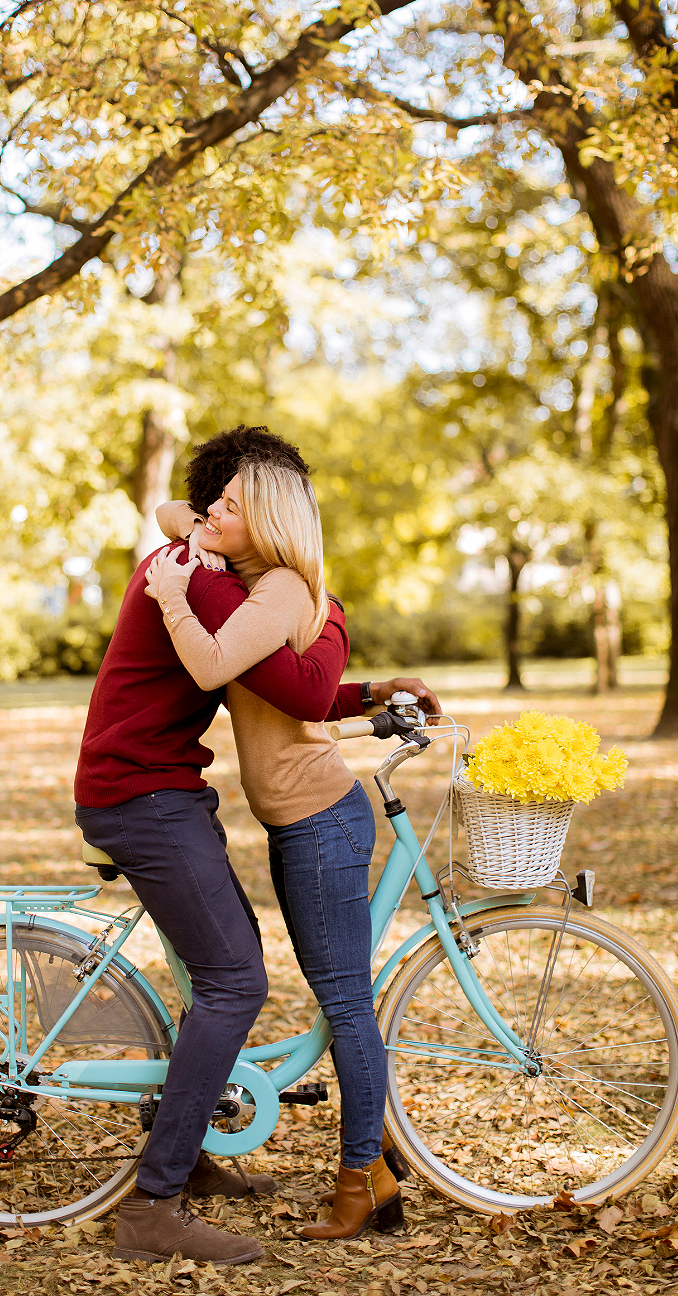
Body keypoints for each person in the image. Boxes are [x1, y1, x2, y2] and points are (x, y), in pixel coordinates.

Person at [74, 426, 400, 1265]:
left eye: (233, 506)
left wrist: (347, 660)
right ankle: (154, 1205)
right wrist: (337, 630)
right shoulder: (194, 576)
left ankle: (194, 1153)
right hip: (142, 792)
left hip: (161, 787)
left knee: (226, 968)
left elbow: (290, 688)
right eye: (217, 502)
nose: (214, 514)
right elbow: (302, 682)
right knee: (235, 982)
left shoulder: (206, 566)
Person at [146, 457, 440, 1242]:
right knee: (337, 1000)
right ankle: (369, 1163)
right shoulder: (254, 589)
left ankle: (362, 1182)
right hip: (303, 823)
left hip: (320, 821)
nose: (212, 510)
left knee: (344, 1002)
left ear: (268, 522)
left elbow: (211, 664)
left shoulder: (276, 590)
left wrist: (174, 595)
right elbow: (293, 695)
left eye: (230, 504)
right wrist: (374, 691)